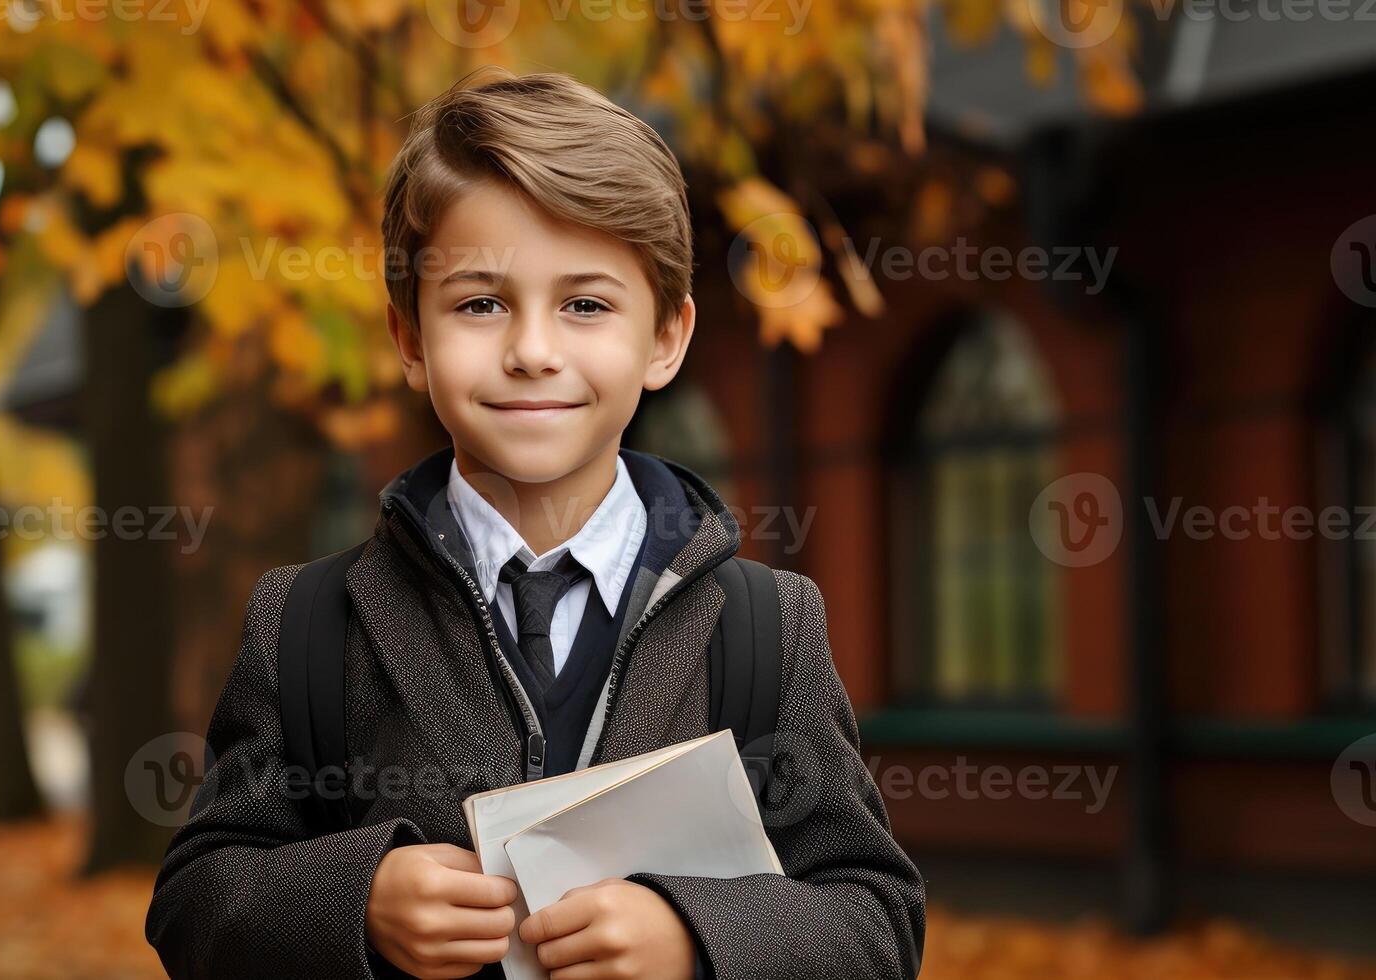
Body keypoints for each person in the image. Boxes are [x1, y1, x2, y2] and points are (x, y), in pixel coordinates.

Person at [145, 68, 924, 979]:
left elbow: (877, 922)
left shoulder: (767, 627)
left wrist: (695, 939)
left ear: (666, 339)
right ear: (409, 338)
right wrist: (358, 899)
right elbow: (195, 901)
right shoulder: (309, 622)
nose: (532, 352)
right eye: (480, 304)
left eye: (586, 305)